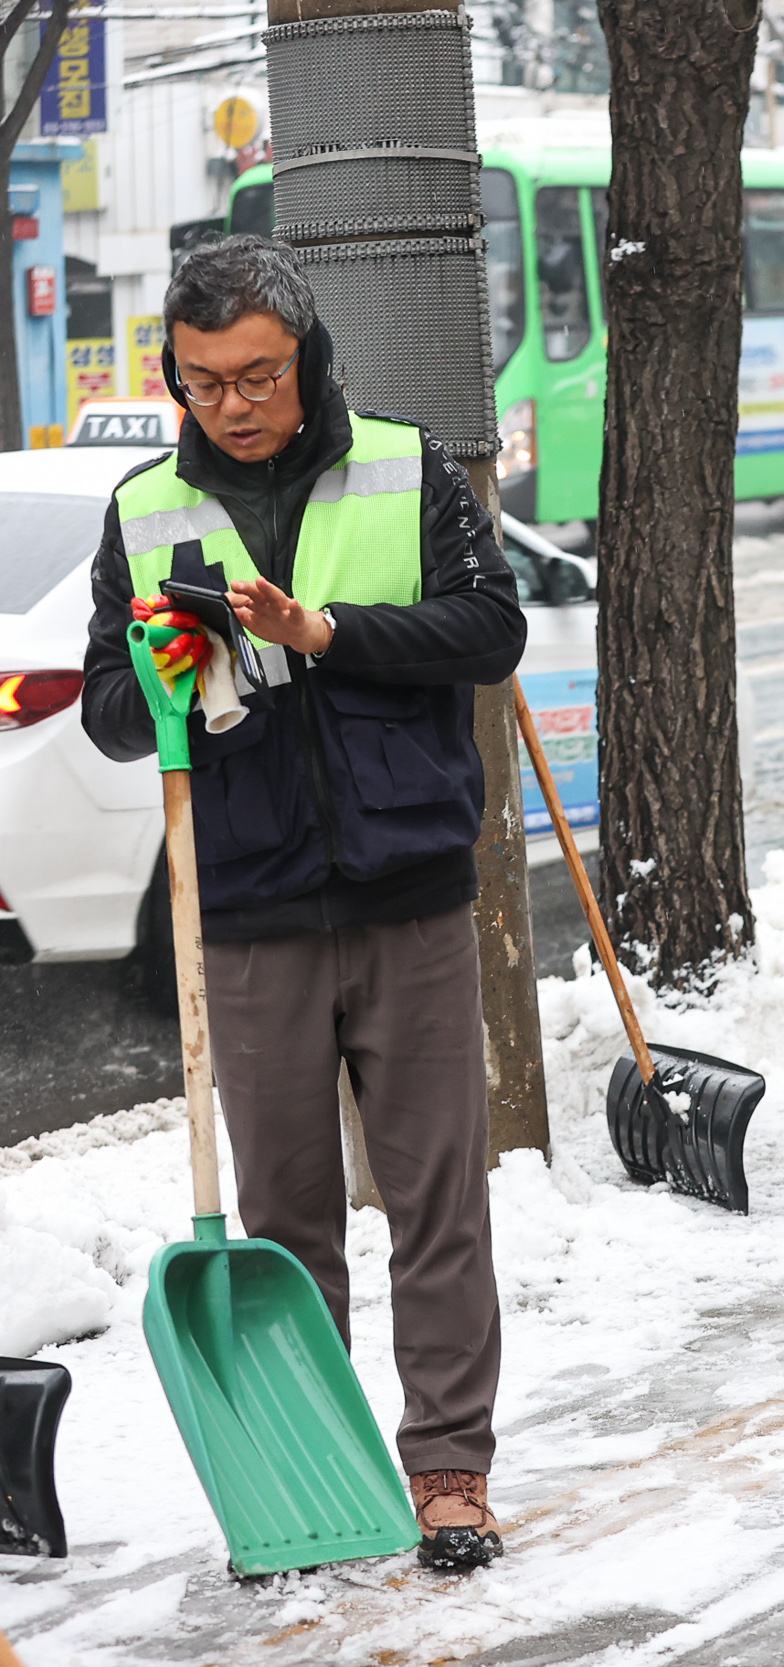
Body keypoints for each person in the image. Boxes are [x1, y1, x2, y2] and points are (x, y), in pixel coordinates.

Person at [79, 236, 526, 1568]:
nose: (235, 402)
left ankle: (449, 1466)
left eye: (259, 373)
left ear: (307, 355)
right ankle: (314, 1468)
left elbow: (490, 629)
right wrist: (156, 675)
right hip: (250, 908)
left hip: (409, 892)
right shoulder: (145, 507)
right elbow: (108, 708)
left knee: (440, 1195)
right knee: (284, 1225)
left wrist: (326, 633)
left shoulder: (407, 466)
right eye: (208, 379)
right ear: (179, 374)